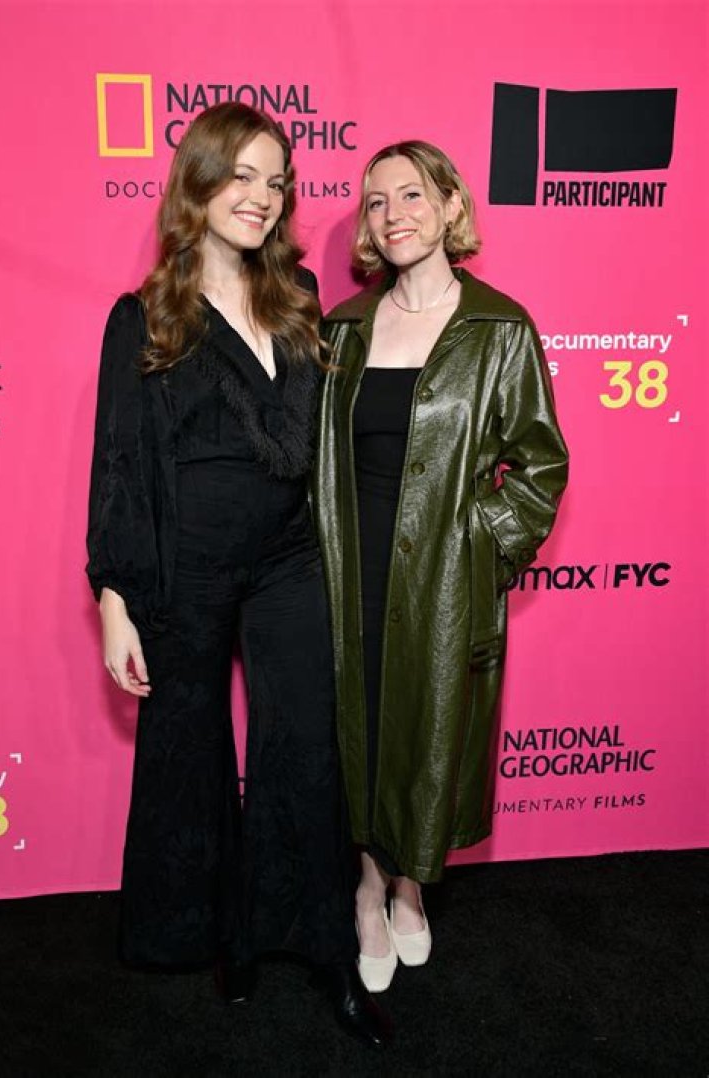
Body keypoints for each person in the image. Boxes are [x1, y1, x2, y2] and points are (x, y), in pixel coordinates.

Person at [86, 102, 390, 1048]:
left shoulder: (298, 295)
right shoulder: (147, 314)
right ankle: (226, 935)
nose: (261, 197)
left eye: (276, 181)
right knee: (189, 748)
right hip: (188, 566)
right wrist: (115, 599)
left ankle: (325, 948)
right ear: (200, 182)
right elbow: (120, 462)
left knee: (305, 747)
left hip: (291, 559)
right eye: (243, 176)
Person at [313, 140, 569, 992]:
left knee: (424, 731)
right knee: (358, 727)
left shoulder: (500, 327)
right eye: (376, 201)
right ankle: (367, 886)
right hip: (349, 567)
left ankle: (409, 886)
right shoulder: (343, 327)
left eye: (413, 195)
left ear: (451, 205)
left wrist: (480, 547)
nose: (394, 215)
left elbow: (540, 466)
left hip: (444, 578)